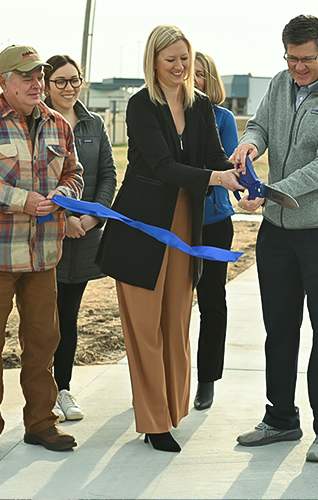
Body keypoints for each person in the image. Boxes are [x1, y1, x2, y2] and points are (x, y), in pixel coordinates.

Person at [97, 25, 241, 453]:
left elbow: (214, 156)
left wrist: (238, 179)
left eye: (184, 59)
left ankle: (172, 411)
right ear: (153, 63)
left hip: (185, 224)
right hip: (142, 227)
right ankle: (154, 422)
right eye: (170, 60)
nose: (179, 67)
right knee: (144, 327)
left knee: (176, 323)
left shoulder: (199, 107)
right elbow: (160, 166)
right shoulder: (140, 104)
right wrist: (216, 177)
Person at [231, 15, 318, 463]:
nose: (298, 67)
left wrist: (272, 192)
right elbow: (259, 126)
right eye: (291, 58)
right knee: (279, 329)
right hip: (277, 233)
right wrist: (249, 144)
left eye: (306, 59)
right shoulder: (280, 83)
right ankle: (281, 418)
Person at [0, 45, 83, 462]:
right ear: (3, 82)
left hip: (44, 256)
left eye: (39, 76)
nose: (37, 83)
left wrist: (64, 194)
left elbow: (73, 174)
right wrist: (21, 201)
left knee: (44, 340)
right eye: (26, 76)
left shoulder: (58, 124)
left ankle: (41, 422)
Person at [43, 55, 116, 422]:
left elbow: (107, 175)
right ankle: (41, 394)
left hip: (85, 237)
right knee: (44, 320)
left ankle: (63, 390)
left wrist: (91, 217)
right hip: (47, 237)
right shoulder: (36, 123)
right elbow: (35, 180)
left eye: (75, 80)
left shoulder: (94, 123)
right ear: (46, 84)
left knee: (68, 317)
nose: (69, 88)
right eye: (60, 81)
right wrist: (65, 217)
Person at [192, 51, 239, 410]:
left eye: (200, 75)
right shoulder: (164, 116)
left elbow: (217, 163)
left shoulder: (221, 118)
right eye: (185, 73)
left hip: (213, 222)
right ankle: (164, 375)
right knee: (170, 305)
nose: (191, 80)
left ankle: (207, 378)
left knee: (211, 302)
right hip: (172, 225)